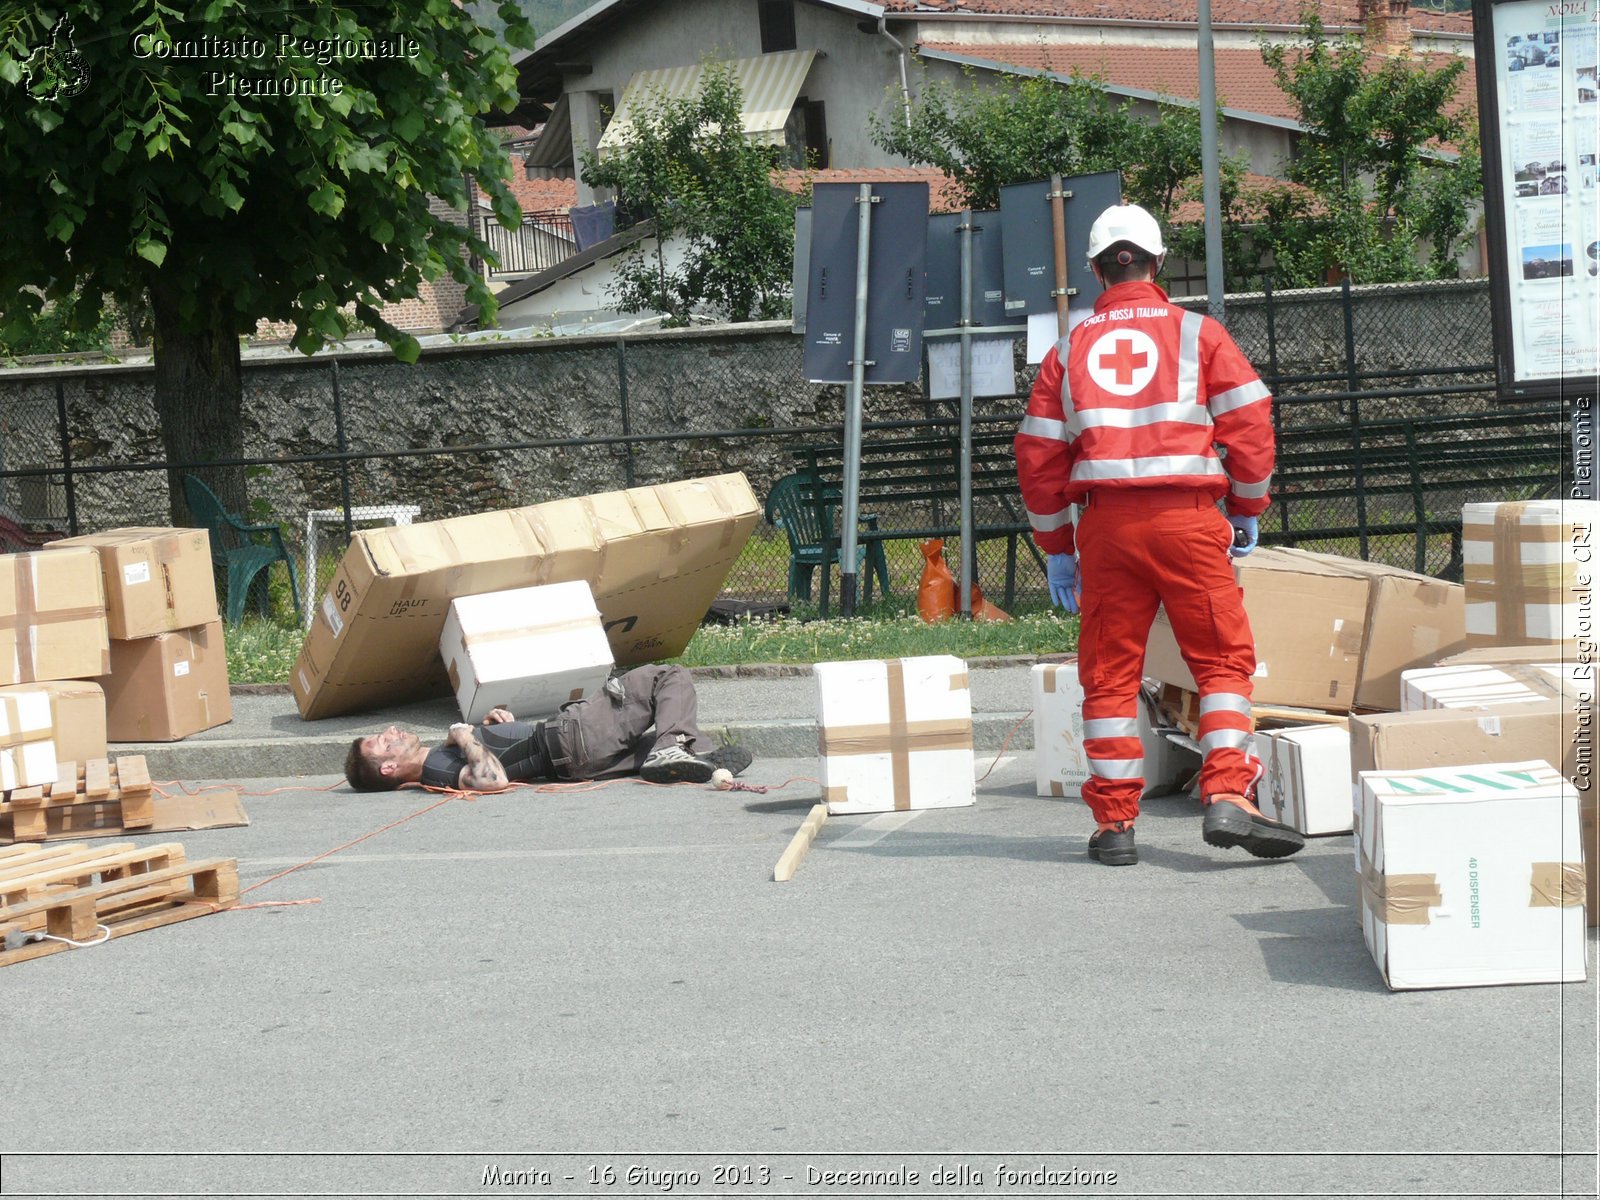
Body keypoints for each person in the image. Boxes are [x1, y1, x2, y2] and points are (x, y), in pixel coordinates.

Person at [1014, 202, 1304, 867]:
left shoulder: (1069, 349)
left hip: (1108, 531)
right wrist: (1248, 504)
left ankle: (1115, 825)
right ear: (1158, 262)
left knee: (1110, 674)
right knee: (1222, 664)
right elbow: (1250, 425)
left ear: (1094, 269)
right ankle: (1229, 792)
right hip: (1190, 521)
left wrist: (1060, 548)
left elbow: (1038, 457)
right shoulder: (1198, 334)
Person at [344, 664, 753, 792]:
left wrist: (492, 730)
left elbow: (496, 760)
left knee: (681, 742)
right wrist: (465, 736)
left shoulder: (437, 762)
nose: (393, 731)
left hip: (574, 760)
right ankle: (676, 748)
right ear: (388, 768)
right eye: (384, 741)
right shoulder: (434, 769)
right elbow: (495, 780)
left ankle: (690, 756)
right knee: (668, 678)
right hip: (572, 738)